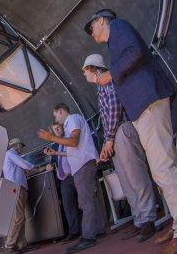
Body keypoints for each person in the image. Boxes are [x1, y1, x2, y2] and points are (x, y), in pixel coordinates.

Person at [84, 9, 177, 254]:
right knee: (170, 163)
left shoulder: (120, 27)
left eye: (91, 27)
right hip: (143, 107)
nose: (91, 33)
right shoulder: (114, 41)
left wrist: (109, 76)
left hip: (147, 101)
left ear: (102, 21)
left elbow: (135, 53)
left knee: (162, 167)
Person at [82, 53, 157, 242]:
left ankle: (149, 219)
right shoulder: (100, 87)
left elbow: (115, 109)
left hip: (122, 130)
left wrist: (108, 140)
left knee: (135, 176)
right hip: (114, 137)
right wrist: (107, 143)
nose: (84, 75)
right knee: (126, 181)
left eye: (85, 71)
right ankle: (140, 221)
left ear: (95, 69)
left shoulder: (107, 81)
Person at [39, 104, 105, 253]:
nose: (55, 118)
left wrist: (52, 137)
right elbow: (73, 149)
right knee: (90, 199)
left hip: (83, 166)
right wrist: (56, 153)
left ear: (61, 111)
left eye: (55, 115)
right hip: (81, 166)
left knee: (85, 202)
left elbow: (74, 141)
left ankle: (88, 237)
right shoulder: (70, 124)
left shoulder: (73, 119)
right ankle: (99, 229)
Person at [44, 123, 81, 244]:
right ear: (52, 132)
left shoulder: (70, 138)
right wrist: (49, 164)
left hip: (76, 174)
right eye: (55, 129)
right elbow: (54, 161)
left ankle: (92, 229)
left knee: (84, 202)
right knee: (68, 206)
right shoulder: (55, 145)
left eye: (59, 127)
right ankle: (74, 231)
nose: (58, 130)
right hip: (64, 179)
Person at [3, 137, 37, 254]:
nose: (22, 148)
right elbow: (24, 164)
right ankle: (9, 245)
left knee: (20, 217)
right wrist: (35, 167)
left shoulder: (10, 155)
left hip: (18, 188)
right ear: (17, 145)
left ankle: (22, 244)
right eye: (21, 146)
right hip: (16, 189)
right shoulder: (10, 154)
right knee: (18, 218)